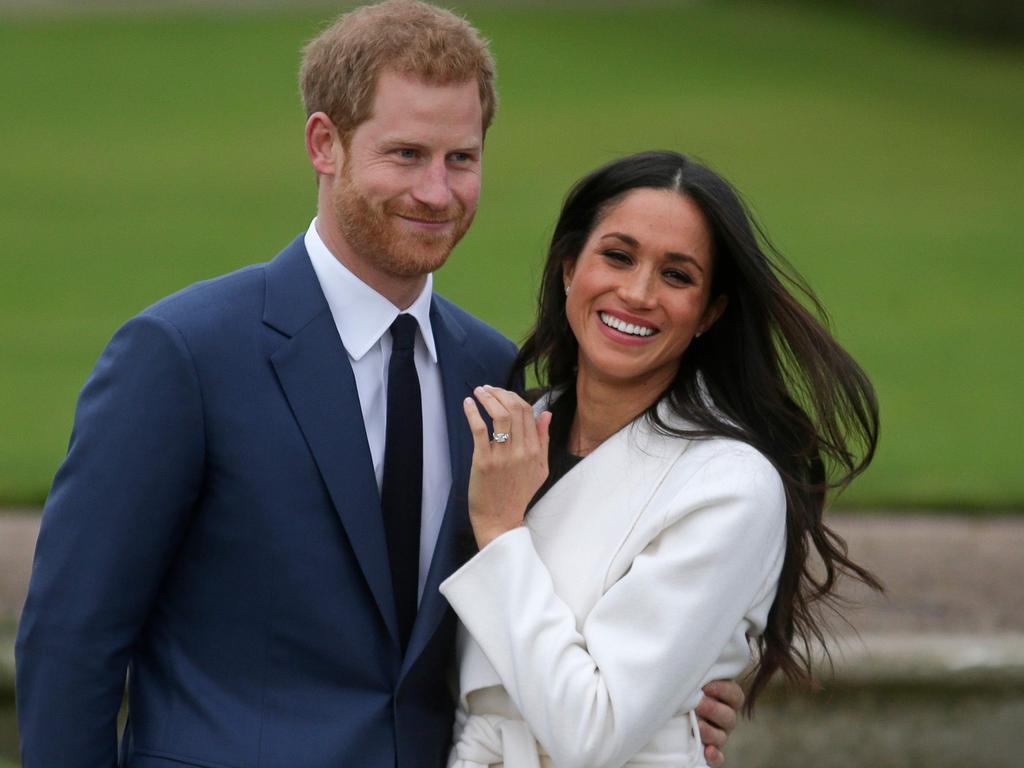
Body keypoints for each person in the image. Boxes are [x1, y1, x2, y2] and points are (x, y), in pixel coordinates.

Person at [14, 4, 741, 767]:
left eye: (460, 158)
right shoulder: (182, 356)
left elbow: (540, 593)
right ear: (324, 144)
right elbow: (72, 637)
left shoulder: (495, 374)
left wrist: (672, 687)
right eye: (406, 154)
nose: (436, 191)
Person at [440, 150, 882, 768]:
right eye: (617, 256)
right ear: (570, 268)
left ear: (710, 312)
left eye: (678, 276)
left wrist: (502, 531)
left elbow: (593, 733)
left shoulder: (729, 484)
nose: (638, 292)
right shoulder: (510, 432)